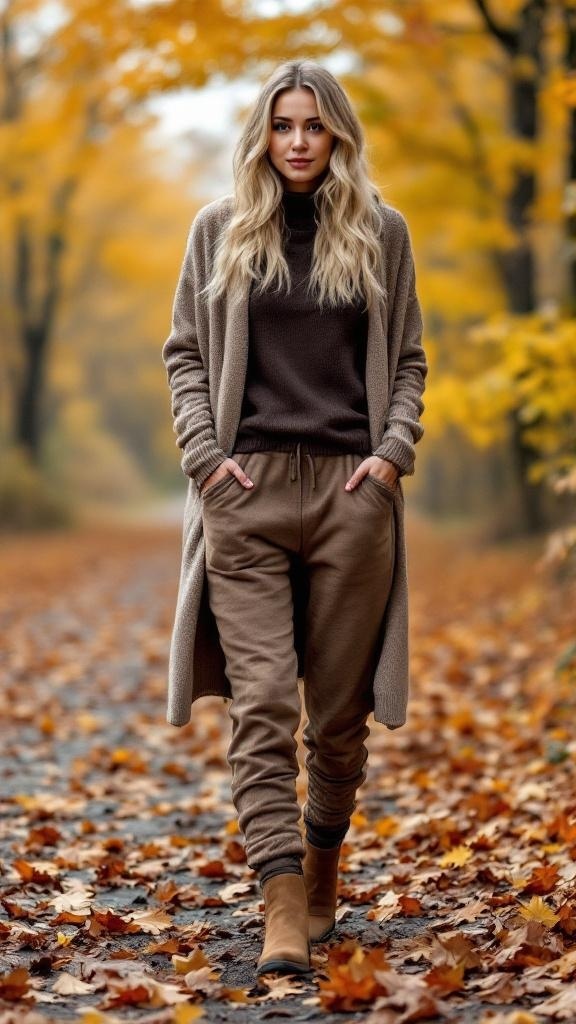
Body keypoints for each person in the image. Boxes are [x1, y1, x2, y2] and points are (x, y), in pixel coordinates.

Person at [161, 58, 428, 977]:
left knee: (338, 719)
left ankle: (322, 868)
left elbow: (413, 361)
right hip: (248, 494)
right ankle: (281, 902)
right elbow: (185, 354)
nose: (299, 141)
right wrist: (205, 459)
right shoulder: (220, 231)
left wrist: (391, 456)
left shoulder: (382, 232)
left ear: (339, 135)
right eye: (283, 126)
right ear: (263, 136)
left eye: (315, 126)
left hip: (355, 499)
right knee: (264, 704)